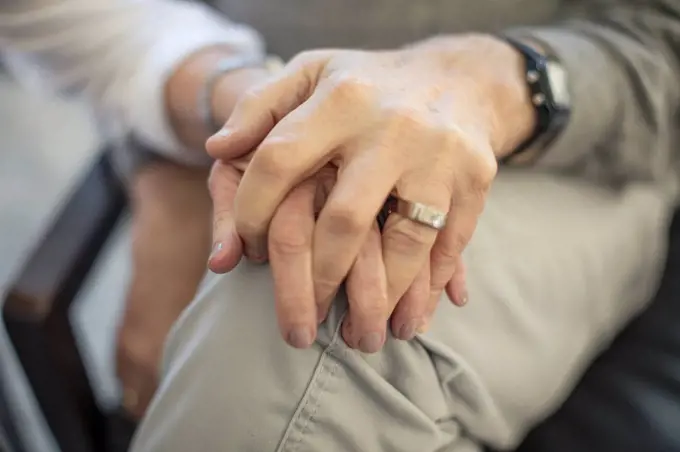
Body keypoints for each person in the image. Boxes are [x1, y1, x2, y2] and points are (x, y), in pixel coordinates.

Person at [133, 0, 680, 451]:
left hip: (582, 143)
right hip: (252, 97)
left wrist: (493, 82)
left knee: (321, 324)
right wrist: (206, 132)